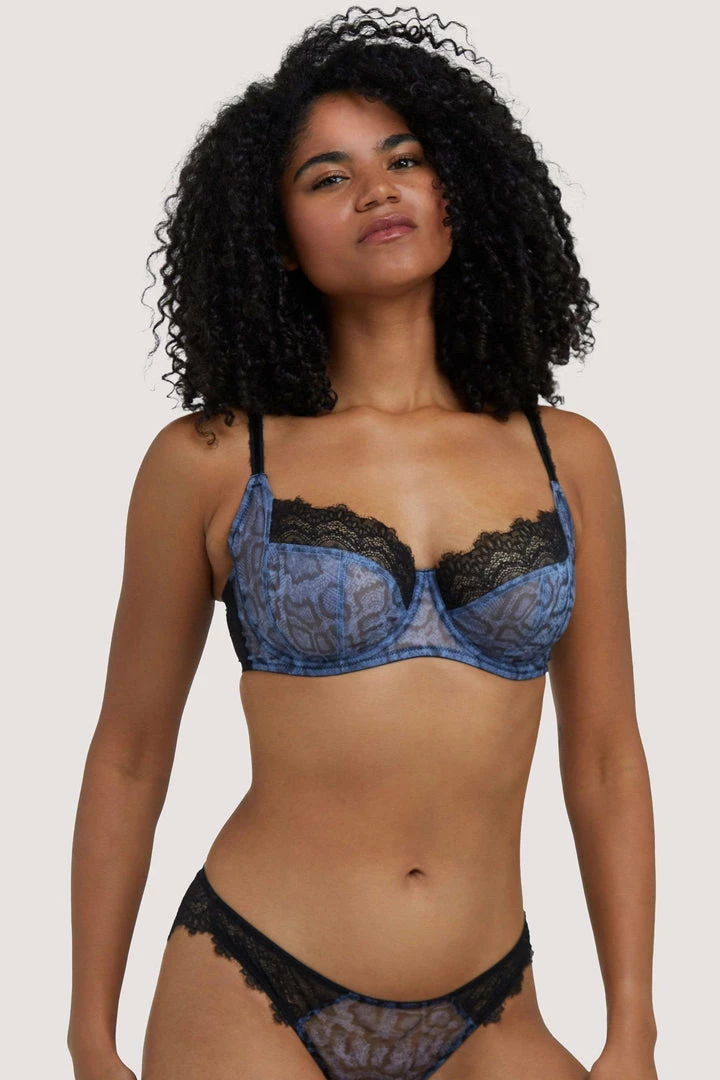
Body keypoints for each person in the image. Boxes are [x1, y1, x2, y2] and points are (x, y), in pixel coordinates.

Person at [67, 8, 658, 1080]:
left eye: (404, 160)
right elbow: (130, 753)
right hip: (249, 988)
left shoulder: (566, 454)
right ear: (275, 239)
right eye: (327, 177)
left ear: (460, 192)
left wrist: (633, 1030)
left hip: (493, 1005)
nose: (377, 190)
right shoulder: (211, 460)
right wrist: (89, 1036)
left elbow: (609, 754)